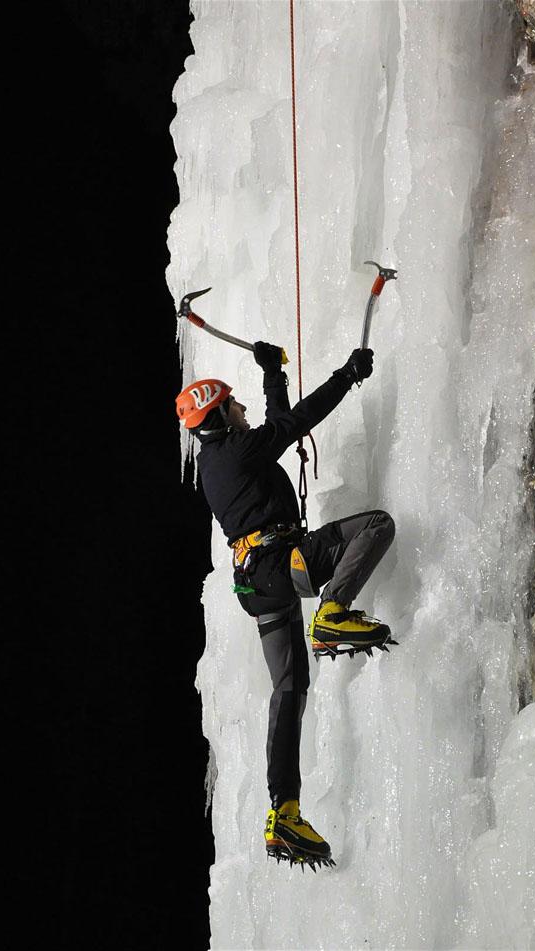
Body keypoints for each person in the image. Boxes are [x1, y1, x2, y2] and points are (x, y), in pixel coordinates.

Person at [175, 342, 396, 869]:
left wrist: (273, 373)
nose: (242, 410)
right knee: (376, 525)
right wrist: (347, 375)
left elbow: (275, 424)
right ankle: (334, 611)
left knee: (290, 689)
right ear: (218, 416)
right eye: (234, 405)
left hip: (259, 586)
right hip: (283, 562)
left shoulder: (217, 463)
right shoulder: (237, 451)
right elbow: (296, 423)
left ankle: (284, 812)